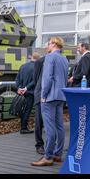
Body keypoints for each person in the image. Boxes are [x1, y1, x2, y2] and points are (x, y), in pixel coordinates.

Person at [32, 37, 69, 167]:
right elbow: (64, 78)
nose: (47, 46)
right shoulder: (64, 59)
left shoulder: (49, 57)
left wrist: (43, 95)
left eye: (48, 43)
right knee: (59, 126)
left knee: (49, 127)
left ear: (54, 44)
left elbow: (47, 78)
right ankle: (57, 154)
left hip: (49, 97)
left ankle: (47, 157)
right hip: (60, 96)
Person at [16, 52, 40, 134]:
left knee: (23, 109)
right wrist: (26, 88)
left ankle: (23, 126)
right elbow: (35, 80)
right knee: (27, 110)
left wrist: (19, 88)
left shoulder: (23, 66)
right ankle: (23, 128)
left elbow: (17, 79)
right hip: (31, 92)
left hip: (22, 92)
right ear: (38, 59)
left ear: (31, 57)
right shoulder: (36, 67)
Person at [33, 47, 50, 155]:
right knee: (39, 121)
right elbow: (36, 78)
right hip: (40, 95)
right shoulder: (40, 61)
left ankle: (50, 145)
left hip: (52, 96)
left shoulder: (58, 60)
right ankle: (39, 145)